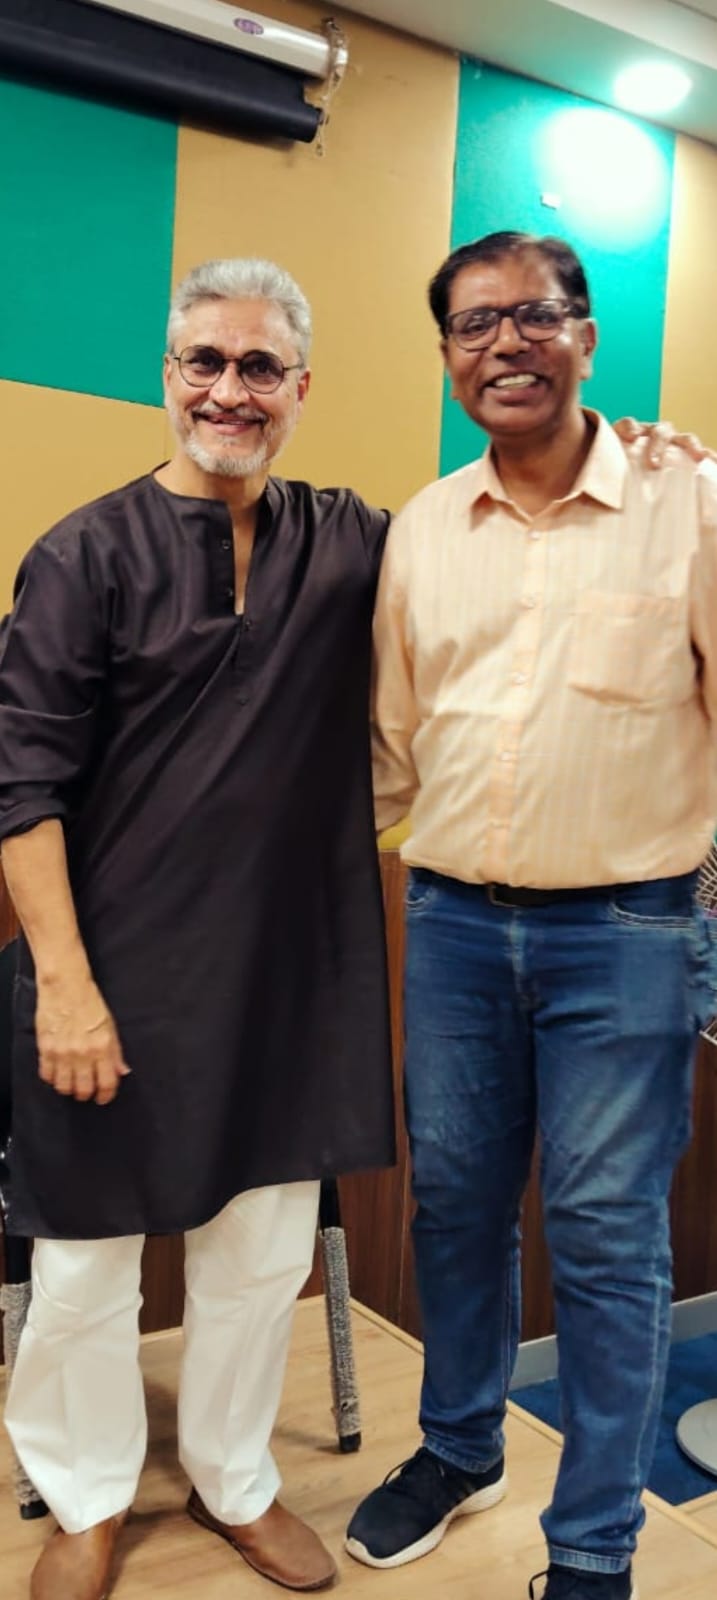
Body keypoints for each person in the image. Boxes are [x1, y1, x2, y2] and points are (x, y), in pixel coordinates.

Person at [0, 257, 396, 1600]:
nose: (231, 390)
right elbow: (21, 788)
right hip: (110, 975)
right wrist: (65, 988)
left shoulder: (348, 540)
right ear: (167, 376)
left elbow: (485, 557)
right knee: (83, 1267)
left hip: (288, 980)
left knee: (260, 1257)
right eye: (205, 363)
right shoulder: (82, 556)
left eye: (259, 367)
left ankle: (235, 1480)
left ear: (300, 387)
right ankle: (88, 1497)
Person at [346, 231, 717, 1600]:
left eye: (535, 316)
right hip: (449, 925)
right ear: (448, 356)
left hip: (628, 933)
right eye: (473, 324)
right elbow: (388, 752)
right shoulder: (422, 528)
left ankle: (593, 1545)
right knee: (452, 1205)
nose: (505, 343)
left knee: (607, 1237)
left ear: (585, 338)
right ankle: (460, 1448)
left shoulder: (690, 500)